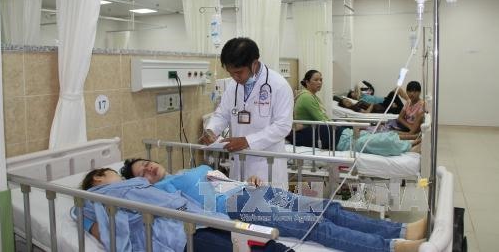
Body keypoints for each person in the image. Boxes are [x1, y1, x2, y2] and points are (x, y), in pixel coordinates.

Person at [116, 159, 427, 252]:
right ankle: (389, 246)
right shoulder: (163, 191)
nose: (148, 169)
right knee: (313, 226)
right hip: (238, 206)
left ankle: (400, 227)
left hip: (253, 192)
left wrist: (247, 180)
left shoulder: (189, 170)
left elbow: (220, 179)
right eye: (141, 174)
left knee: (326, 208)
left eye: (146, 163)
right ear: (141, 184)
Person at [79, 168, 289, 252]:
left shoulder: (132, 186)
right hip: (178, 232)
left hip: (195, 219)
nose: (120, 178)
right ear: (98, 178)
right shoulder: (92, 200)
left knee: (255, 240)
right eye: (113, 173)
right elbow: (109, 231)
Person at [200, 37, 294, 187]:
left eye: (239, 72)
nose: (235, 78)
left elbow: (283, 126)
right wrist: (211, 130)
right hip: (239, 164)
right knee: (238, 205)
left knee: (267, 208)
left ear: (254, 64)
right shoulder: (233, 86)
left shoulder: (278, 85)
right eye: (231, 73)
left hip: (267, 164)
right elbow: (222, 114)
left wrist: (247, 141)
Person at [289, 70, 334, 149]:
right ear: (307, 82)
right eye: (316, 80)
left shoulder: (313, 96)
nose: (319, 82)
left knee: (344, 130)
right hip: (304, 134)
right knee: (339, 130)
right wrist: (335, 125)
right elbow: (321, 119)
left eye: (321, 80)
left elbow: (323, 117)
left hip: (311, 131)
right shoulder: (306, 97)